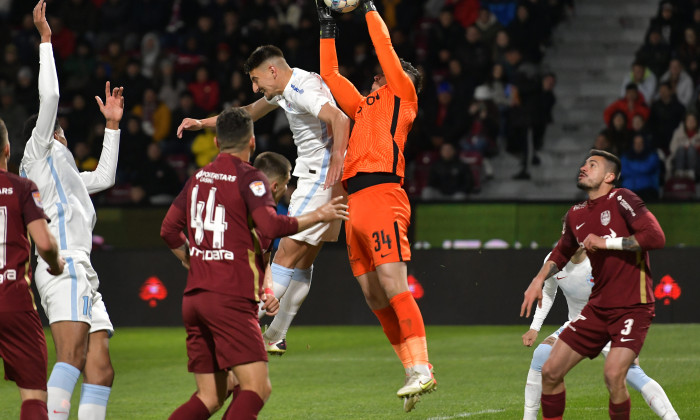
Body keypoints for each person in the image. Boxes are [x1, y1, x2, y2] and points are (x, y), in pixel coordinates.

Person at [160, 108, 348, 420]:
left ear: (218, 142)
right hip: (230, 300)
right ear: (252, 141)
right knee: (257, 389)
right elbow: (271, 226)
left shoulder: (198, 178)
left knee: (210, 396)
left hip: (195, 299)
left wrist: (194, 261)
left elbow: (168, 230)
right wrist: (319, 214)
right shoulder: (250, 178)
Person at [177, 45, 351, 356]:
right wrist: (201, 123)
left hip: (318, 177)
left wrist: (337, 157)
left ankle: (237, 329)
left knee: (283, 256)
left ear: (273, 70)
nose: (256, 88)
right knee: (304, 260)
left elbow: (339, 119)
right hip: (328, 181)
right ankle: (277, 335)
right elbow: (246, 114)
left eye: (257, 80)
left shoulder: (298, 89)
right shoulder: (287, 87)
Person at [316, 0, 435, 412]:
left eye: (384, 71)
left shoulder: (402, 95)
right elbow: (330, 75)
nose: (377, 74)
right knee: (372, 295)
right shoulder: (363, 107)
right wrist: (327, 24)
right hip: (355, 203)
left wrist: (368, 7)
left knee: (392, 283)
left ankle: (423, 365)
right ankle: (410, 370)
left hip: (384, 195)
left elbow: (384, 46)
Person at [19, 2, 124, 419]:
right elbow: (51, 95)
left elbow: (105, 177)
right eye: (58, 128)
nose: (61, 131)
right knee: (71, 357)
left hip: (81, 269)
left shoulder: (70, 177)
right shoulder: (37, 153)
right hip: (63, 264)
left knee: (100, 369)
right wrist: (46, 40)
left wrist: (112, 126)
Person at [521, 149, 667, 420]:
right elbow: (561, 252)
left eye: (593, 164)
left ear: (610, 176)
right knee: (550, 371)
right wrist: (538, 279)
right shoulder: (576, 214)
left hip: (633, 306)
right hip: (598, 308)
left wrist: (606, 242)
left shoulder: (622, 198)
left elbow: (655, 237)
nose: (584, 168)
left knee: (614, 375)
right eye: (584, 164)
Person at [522, 248, 679, 420]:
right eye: (567, 233)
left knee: (631, 372)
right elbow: (548, 292)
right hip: (577, 325)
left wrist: (628, 335)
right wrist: (534, 327)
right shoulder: (553, 260)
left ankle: (671, 417)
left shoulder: (603, 259)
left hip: (610, 324)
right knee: (541, 354)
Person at [0, 117, 65, 420]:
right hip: (12, 301)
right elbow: (46, 243)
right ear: (8, 149)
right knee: (34, 393)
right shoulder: (22, 187)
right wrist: (55, 264)